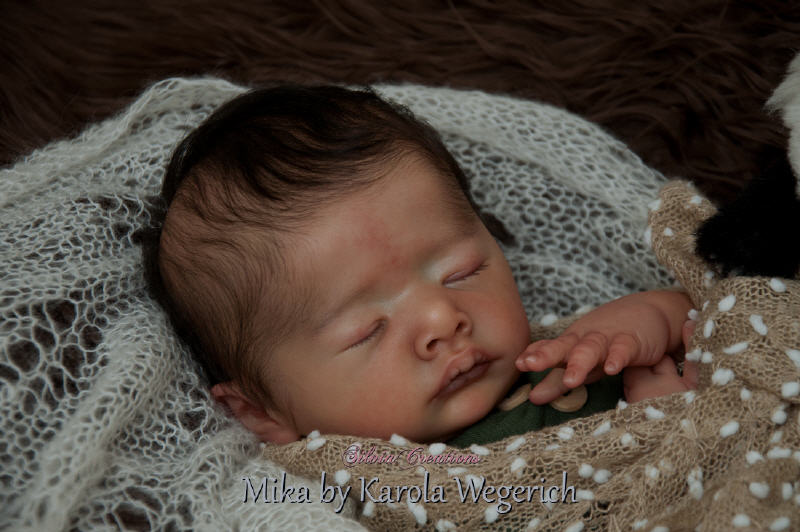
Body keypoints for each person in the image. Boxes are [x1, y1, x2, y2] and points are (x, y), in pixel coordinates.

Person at [145, 85, 697, 446]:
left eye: (462, 271)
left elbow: (714, 309)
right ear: (261, 412)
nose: (442, 317)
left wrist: (648, 318)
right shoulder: (348, 485)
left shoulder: (566, 353)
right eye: (368, 330)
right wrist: (659, 437)